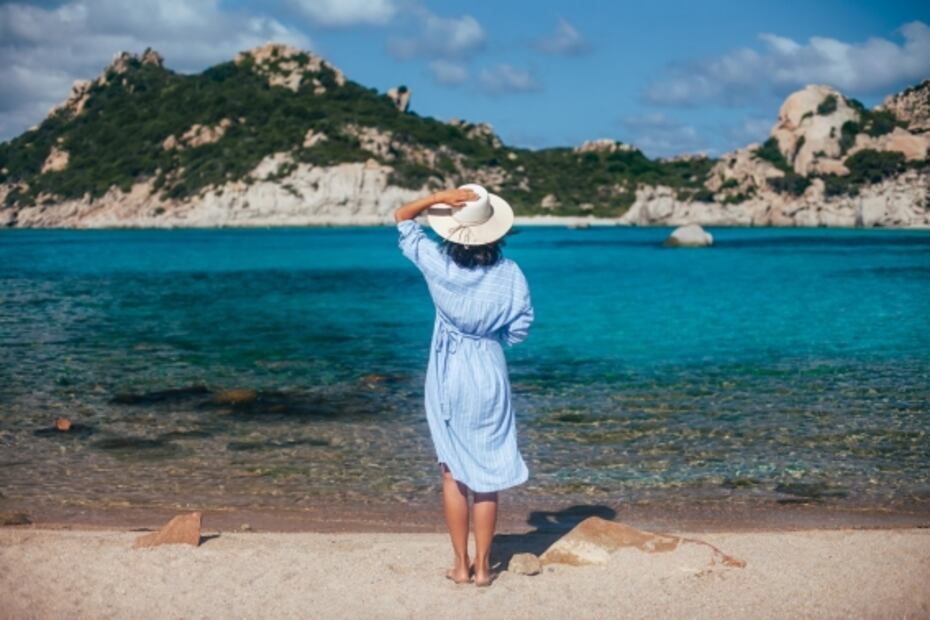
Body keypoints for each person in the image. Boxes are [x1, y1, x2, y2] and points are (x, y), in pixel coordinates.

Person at [394, 184, 535, 587]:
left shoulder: (439, 264)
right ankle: (484, 569)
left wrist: (438, 197)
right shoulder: (510, 274)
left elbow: (402, 218)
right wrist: (493, 338)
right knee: (488, 474)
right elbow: (521, 329)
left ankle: (459, 565)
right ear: (497, 231)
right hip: (488, 368)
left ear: (453, 230)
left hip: (449, 370)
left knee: (453, 472)